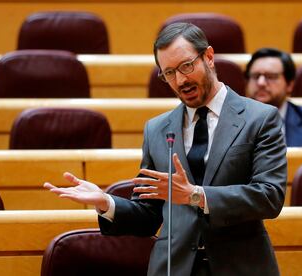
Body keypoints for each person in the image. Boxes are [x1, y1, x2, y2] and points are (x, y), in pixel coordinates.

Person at [44, 23, 287, 276]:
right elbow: (149, 214)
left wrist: (196, 195)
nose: (181, 80)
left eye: (186, 66)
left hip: (241, 267)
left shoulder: (260, 118)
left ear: (209, 57)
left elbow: (269, 196)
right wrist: (106, 203)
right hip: (174, 268)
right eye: (169, 73)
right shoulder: (157, 129)